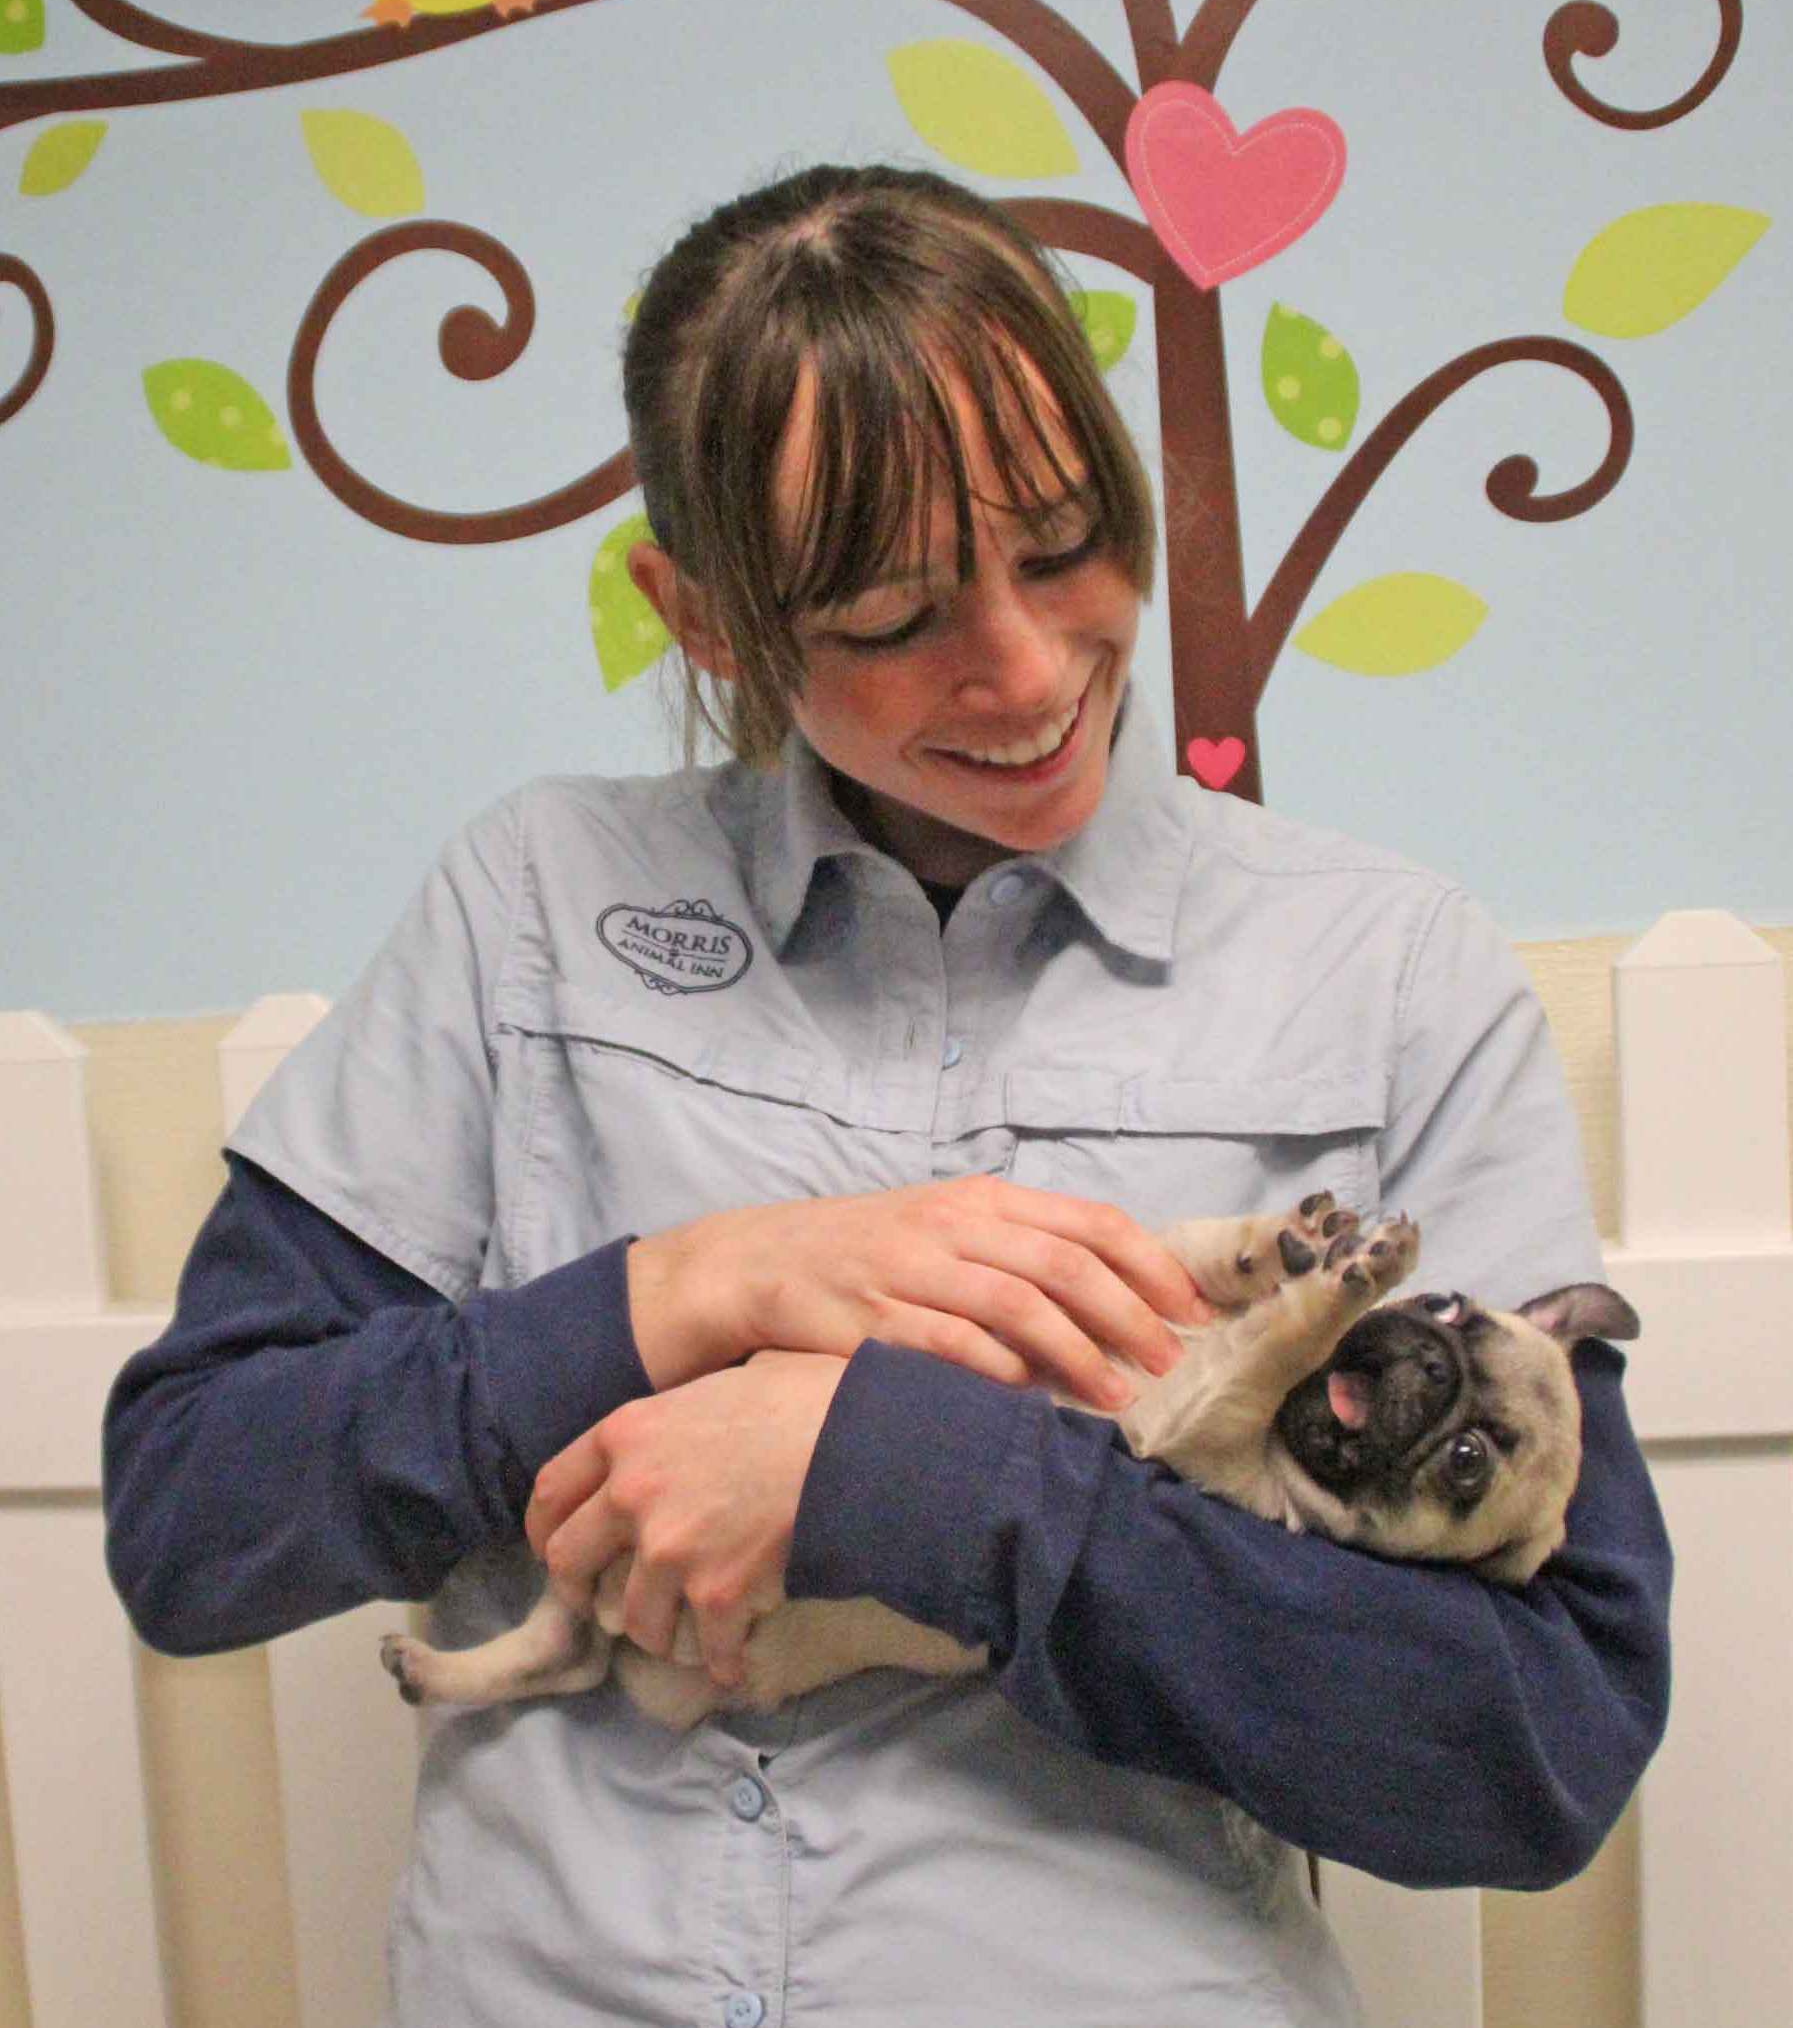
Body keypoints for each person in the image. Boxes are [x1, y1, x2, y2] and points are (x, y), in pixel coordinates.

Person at [104, 163, 1671, 2028]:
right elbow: (195, 1522)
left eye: (1071, 539)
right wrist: (675, 1292)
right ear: (703, 619)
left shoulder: (1390, 969)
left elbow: (1532, 1748)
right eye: (883, 612)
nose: (1023, 669)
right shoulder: (532, 906)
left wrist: (913, 1480)